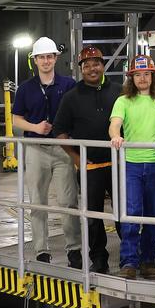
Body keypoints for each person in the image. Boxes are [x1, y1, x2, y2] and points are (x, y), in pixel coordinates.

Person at [11, 36, 81, 267]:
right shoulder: (25, 88)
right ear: (35, 60)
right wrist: (35, 127)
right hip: (36, 149)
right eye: (41, 57)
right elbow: (16, 120)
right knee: (37, 202)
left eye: (49, 56)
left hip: (62, 150)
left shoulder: (69, 84)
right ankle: (42, 250)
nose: (46, 61)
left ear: (55, 59)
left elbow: (76, 113)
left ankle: (74, 250)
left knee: (67, 201)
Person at [53, 45, 123, 274]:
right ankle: (99, 259)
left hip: (118, 164)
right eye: (87, 65)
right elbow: (60, 131)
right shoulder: (71, 97)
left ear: (103, 66)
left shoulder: (120, 91)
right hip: (90, 166)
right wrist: (76, 158)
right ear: (81, 69)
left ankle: (130, 256)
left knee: (122, 211)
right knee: (93, 216)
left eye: (96, 63)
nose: (92, 68)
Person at [109, 54, 155, 280]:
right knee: (133, 212)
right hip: (131, 165)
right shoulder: (123, 101)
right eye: (138, 75)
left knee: (152, 214)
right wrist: (116, 137)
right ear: (132, 78)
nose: (143, 79)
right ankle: (129, 260)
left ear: (153, 76)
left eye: (146, 74)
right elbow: (114, 124)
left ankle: (148, 261)